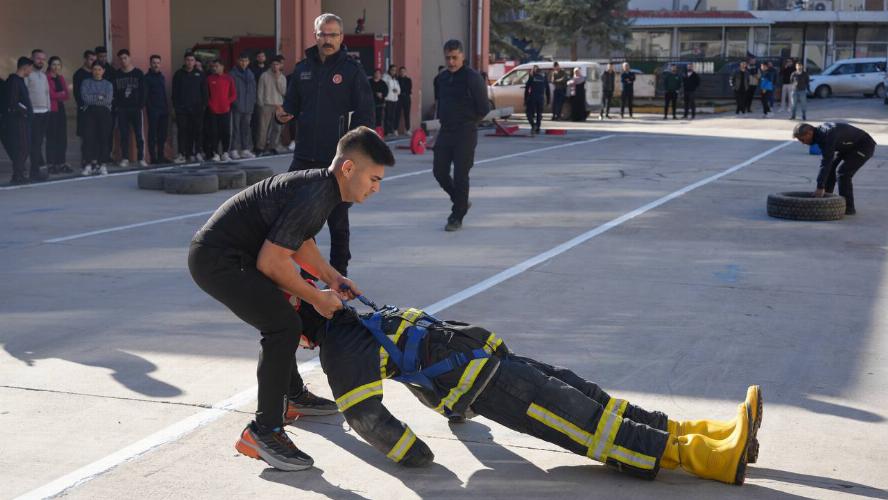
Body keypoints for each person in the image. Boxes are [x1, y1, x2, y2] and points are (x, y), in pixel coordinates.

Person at [293, 295, 764, 485]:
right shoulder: (340, 349)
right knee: (590, 426)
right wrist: (415, 455)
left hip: (494, 365)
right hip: (493, 387)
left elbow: (409, 363)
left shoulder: (351, 320)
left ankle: (711, 432)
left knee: (591, 398)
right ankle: (714, 458)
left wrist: (451, 414)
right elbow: (364, 417)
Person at [188, 127, 394, 472]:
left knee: (289, 312)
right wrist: (316, 297)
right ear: (347, 169)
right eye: (373, 179)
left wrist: (333, 279)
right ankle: (264, 431)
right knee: (283, 325)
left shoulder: (320, 189)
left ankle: (293, 396)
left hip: (236, 257)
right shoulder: (316, 195)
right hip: (218, 261)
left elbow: (299, 243)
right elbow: (272, 262)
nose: (376, 188)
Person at [277, 12, 375, 276]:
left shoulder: (351, 71)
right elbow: (291, 106)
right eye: (323, 34)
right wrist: (281, 115)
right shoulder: (302, 69)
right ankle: (308, 273)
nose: (327, 39)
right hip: (304, 154)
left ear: (341, 37)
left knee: (337, 220)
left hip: (337, 158)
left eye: (333, 34)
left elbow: (366, 113)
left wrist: (358, 152)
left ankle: (339, 273)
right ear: (315, 35)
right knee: (297, 214)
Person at [432, 39, 490, 232]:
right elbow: (439, 103)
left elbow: (484, 108)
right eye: (448, 58)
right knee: (439, 172)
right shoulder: (441, 78)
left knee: (460, 175)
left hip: (465, 131)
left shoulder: (472, 78)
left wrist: (469, 121)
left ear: (462, 56)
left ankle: (457, 216)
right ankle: (461, 201)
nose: (451, 62)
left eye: (455, 58)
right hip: (446, 131)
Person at [793, 122, 875, 215]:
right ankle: (826, 200)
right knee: (831, 168)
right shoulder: (819, 135)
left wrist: (820, 186)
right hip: (848, 146)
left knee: (843, 173)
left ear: (809, 133)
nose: (802, 143)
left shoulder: (827, 135)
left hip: (864, 146)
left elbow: (826, 161)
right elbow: (827, 163)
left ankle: (848, 208)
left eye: (802, 139)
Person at [113, 49, 147, 168]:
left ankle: (141, 158)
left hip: (136, 109)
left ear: (130, 58)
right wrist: (117, 106)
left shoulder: (138, 73)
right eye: (121, 58)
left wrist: (140, 105)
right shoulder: (117, 74)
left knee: (139, 134)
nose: (123, 60)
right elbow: (114, 92)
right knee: (124, 135)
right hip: (122, 109)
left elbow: (143, 91)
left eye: (125, 58)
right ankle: (125, 158)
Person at [172, 52, 208, 163]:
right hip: (182, 109)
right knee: (182, 131)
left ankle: (196, 152)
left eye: (192, 60)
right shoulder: (178, 74)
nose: (190, 62)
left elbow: (204, 92)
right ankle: (182, 154)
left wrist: (203, 105)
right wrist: (176, 107)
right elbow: (174, 92)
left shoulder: (200, 74)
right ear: (184, 61)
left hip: (197, 109)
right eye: (188, 60)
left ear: (194, 62)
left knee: (197, 131)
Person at [80, 62, 114, 176]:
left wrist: (94, 97)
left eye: (99, 69)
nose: (97, 72)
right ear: (91, 70)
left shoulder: (108, 84)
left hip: (104, 114)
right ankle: (88, 165)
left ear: (103, 71)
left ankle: (102, 164)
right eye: (94, 69)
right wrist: (100, 97)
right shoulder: (86, 82)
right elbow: (85, 99)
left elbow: (108, 100)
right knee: (89, 139)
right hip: (89, 113)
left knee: (103, 139)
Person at [5, 57, 34, 185]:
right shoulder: (14, 81)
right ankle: (18, 174)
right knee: (23, 147)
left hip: (23, 120)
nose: (31, 71)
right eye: (30, 68)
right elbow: (13, 102)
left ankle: (19, 173)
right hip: (18, 121)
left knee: (24, 147)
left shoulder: (20, 81)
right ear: (25, 67)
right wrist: (25, 112)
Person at [204, 59, 236, 162]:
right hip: (213, 111)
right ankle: (215, 153)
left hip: (225, 110)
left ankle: (225, 152)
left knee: (226, 132)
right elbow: (207, 95)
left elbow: (234, 94)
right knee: (214, 133)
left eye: (217, 66)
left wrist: (227, 103)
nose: (214, 68)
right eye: (213, 66)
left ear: (222, 67)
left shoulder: (228, 79)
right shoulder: (209, 79)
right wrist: (211, 105)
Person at [26, 49, 50, 180]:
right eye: (38, 58)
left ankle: (38, 169)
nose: (41, 61)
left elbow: (46, 94)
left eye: (43, 59)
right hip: (33, 113)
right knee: (34, 143)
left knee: (39, 142)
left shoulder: (44, 75)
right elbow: (24, 95)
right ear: (32, 58)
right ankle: (34, 171)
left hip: (44, 113)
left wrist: (48, 109)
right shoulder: (28, 75)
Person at [257, 55, 288, 155]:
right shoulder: (264, 76)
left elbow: (283, 92)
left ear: (280, 66)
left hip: (278, 105)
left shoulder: (282, 77)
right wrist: (260, 103)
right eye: (274, 64)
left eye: (277, 64)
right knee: (263, 127)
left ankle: (273, 146)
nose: (275, 66)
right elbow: (260, 91)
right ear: (271, 65)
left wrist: (277, 78)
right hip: (266, 104)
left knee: (277, 128)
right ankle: (260, 147)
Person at [46, 56, 71, 174]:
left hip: (60, 109)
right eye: (54, 64)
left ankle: (61, 162)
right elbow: (51, 95)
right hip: (51, 110)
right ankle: (51, 163)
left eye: (58, 65)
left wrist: (59, 94)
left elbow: (67, 95)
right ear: (49, 65)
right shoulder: (46, 77)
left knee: (62, 137)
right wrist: (59, 94)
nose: (56, 67)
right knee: (52, 137)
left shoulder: (60, 78)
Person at [230, 52, 257, 160]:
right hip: (237, 106)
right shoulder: (232, 74)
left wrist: (252, 102)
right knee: (235, 129)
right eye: (241, 60)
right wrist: (234, 103)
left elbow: (254, 90)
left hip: (248, 107)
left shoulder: (250, 74)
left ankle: (245, 149)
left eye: (246, 61)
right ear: (238, 61)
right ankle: (234, 150)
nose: (243, 63)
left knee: (246, 129)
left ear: (249, 62)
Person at [145, 55, 170, 164]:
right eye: (154, 62)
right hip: (153, 110)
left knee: (162, 135)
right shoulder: (147, 78)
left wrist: (167, 108)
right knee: (153, 135)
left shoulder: (162, 77)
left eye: (158, 63)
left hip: (164, 110)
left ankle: (161, 156)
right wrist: (150, 109)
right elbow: (146, 96)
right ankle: (153, 158)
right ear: (150, 64)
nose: (156, 65)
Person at [73, 50, 97, 167]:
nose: (93, 62)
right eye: (91, 59)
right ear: (85, 59)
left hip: (95, 110)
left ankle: (93, 159)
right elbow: (77, 94)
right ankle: (85, 159)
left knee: (95, 136)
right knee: (85, 136)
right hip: (84, 110)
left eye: (94, 60)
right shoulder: (79, 74)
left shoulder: (95, 73)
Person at [524, 65, 549, 134]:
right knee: (539, 114)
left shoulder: (532, 77)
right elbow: (548, 89)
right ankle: (538, 128)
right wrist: (548, 100)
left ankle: (533, 125)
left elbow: (527, 88)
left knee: (528, 113)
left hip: (532, 97)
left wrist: (525, 99)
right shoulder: (544, 78)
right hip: (541, 98)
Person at [382, 64, 400, 136]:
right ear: (389, 70)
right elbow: (384, 87)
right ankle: (387, 131)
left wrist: (397, 91)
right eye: (392, 70)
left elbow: (399, 88)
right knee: (388, 115)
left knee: (393, 115)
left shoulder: (395, 79)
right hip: (388, 99)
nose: (394, 72)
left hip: (395, 99)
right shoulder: (385, 77)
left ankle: (391, 129)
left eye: (395, 70)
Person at [396, 66, 412, 134]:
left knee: (407, 114)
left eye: (404, 71)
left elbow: (409, 89)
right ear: (399, 72)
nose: (402, 73)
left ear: (405, 72)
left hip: (406, 98)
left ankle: (407, 129)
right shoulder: (397, 80)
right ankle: (395, 129)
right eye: (401, 72)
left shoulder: (408, 80)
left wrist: (403, 91)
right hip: (399, 98)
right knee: (397, 114)